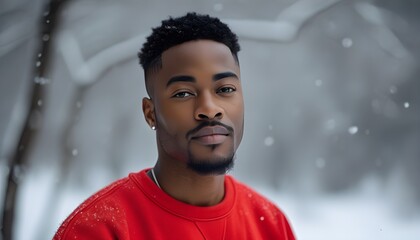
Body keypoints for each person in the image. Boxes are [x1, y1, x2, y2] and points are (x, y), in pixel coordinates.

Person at [53, 12, 295, 239]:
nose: (210, 109)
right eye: (183, 93)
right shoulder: (99, 229)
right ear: (151, 113)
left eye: (225, 89)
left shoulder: (270, 223)